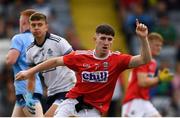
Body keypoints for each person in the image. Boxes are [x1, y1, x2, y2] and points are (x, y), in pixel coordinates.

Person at [16, 19, 152, 117]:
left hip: (94, 110)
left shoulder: (117, 60)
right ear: (95, 39)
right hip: (72, 101)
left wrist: (143, 38)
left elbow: (144, 59)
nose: (106, 42)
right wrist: (29, 72)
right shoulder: (80, 56)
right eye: (103, 38)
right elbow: (55, 61)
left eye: (109, 39)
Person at [23, 12, 76, 117]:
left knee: (47, 116)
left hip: (68, 90)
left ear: (46, 27)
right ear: (30, 27)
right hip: (51, 93)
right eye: (33, 25)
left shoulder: (59, 42)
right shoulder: (30, 51)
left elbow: (76, 61)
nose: (36, 28)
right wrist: (29, 96)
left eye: (40, 24)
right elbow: (31, 77)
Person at [121, 32, 173, 117]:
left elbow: (147, 83)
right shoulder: (142, 60)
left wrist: (158, 79)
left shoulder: (153, 62)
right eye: (156, 45)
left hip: (144, 100)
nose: (159, 48)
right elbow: (142, 82)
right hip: (134, 100)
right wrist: (159, 79)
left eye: (160, 45)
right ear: (148, 45)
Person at [6, 9, 43, 117]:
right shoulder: (38, 40)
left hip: (26, 92)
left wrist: (7, 56)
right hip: (34, 88)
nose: (20, 26)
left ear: (25, 23)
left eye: (21, 23)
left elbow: (10, 60)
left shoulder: (19, 38)